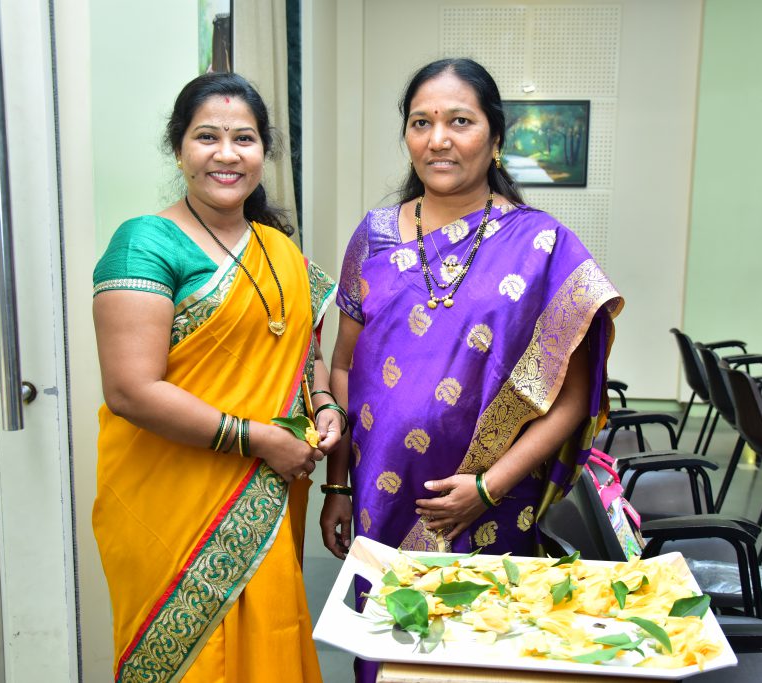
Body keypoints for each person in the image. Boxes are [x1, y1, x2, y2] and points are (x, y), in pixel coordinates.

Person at [321, 56, 623, 567]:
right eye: (421, 123)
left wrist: (488, 487)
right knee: (388, 617)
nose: (438, 139)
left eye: (460, 121)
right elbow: (343, 367)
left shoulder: (544, 246)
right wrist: (338, 486)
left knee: (485, 616)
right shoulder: (374, 236)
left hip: (495, 502)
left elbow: (573, 399)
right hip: (380, 491)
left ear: (495, 137)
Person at [92, 72, 336, 683]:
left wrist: (325, 401)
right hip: (171, 502)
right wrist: (261, 440)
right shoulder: (144, 243)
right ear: (178, 148)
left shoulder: (279, 250)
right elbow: (130, 390)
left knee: (268, 642)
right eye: (207, 137)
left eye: (244, 139)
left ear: (263, 152)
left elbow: (304, 350)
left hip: (264, 497)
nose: (227, 154)